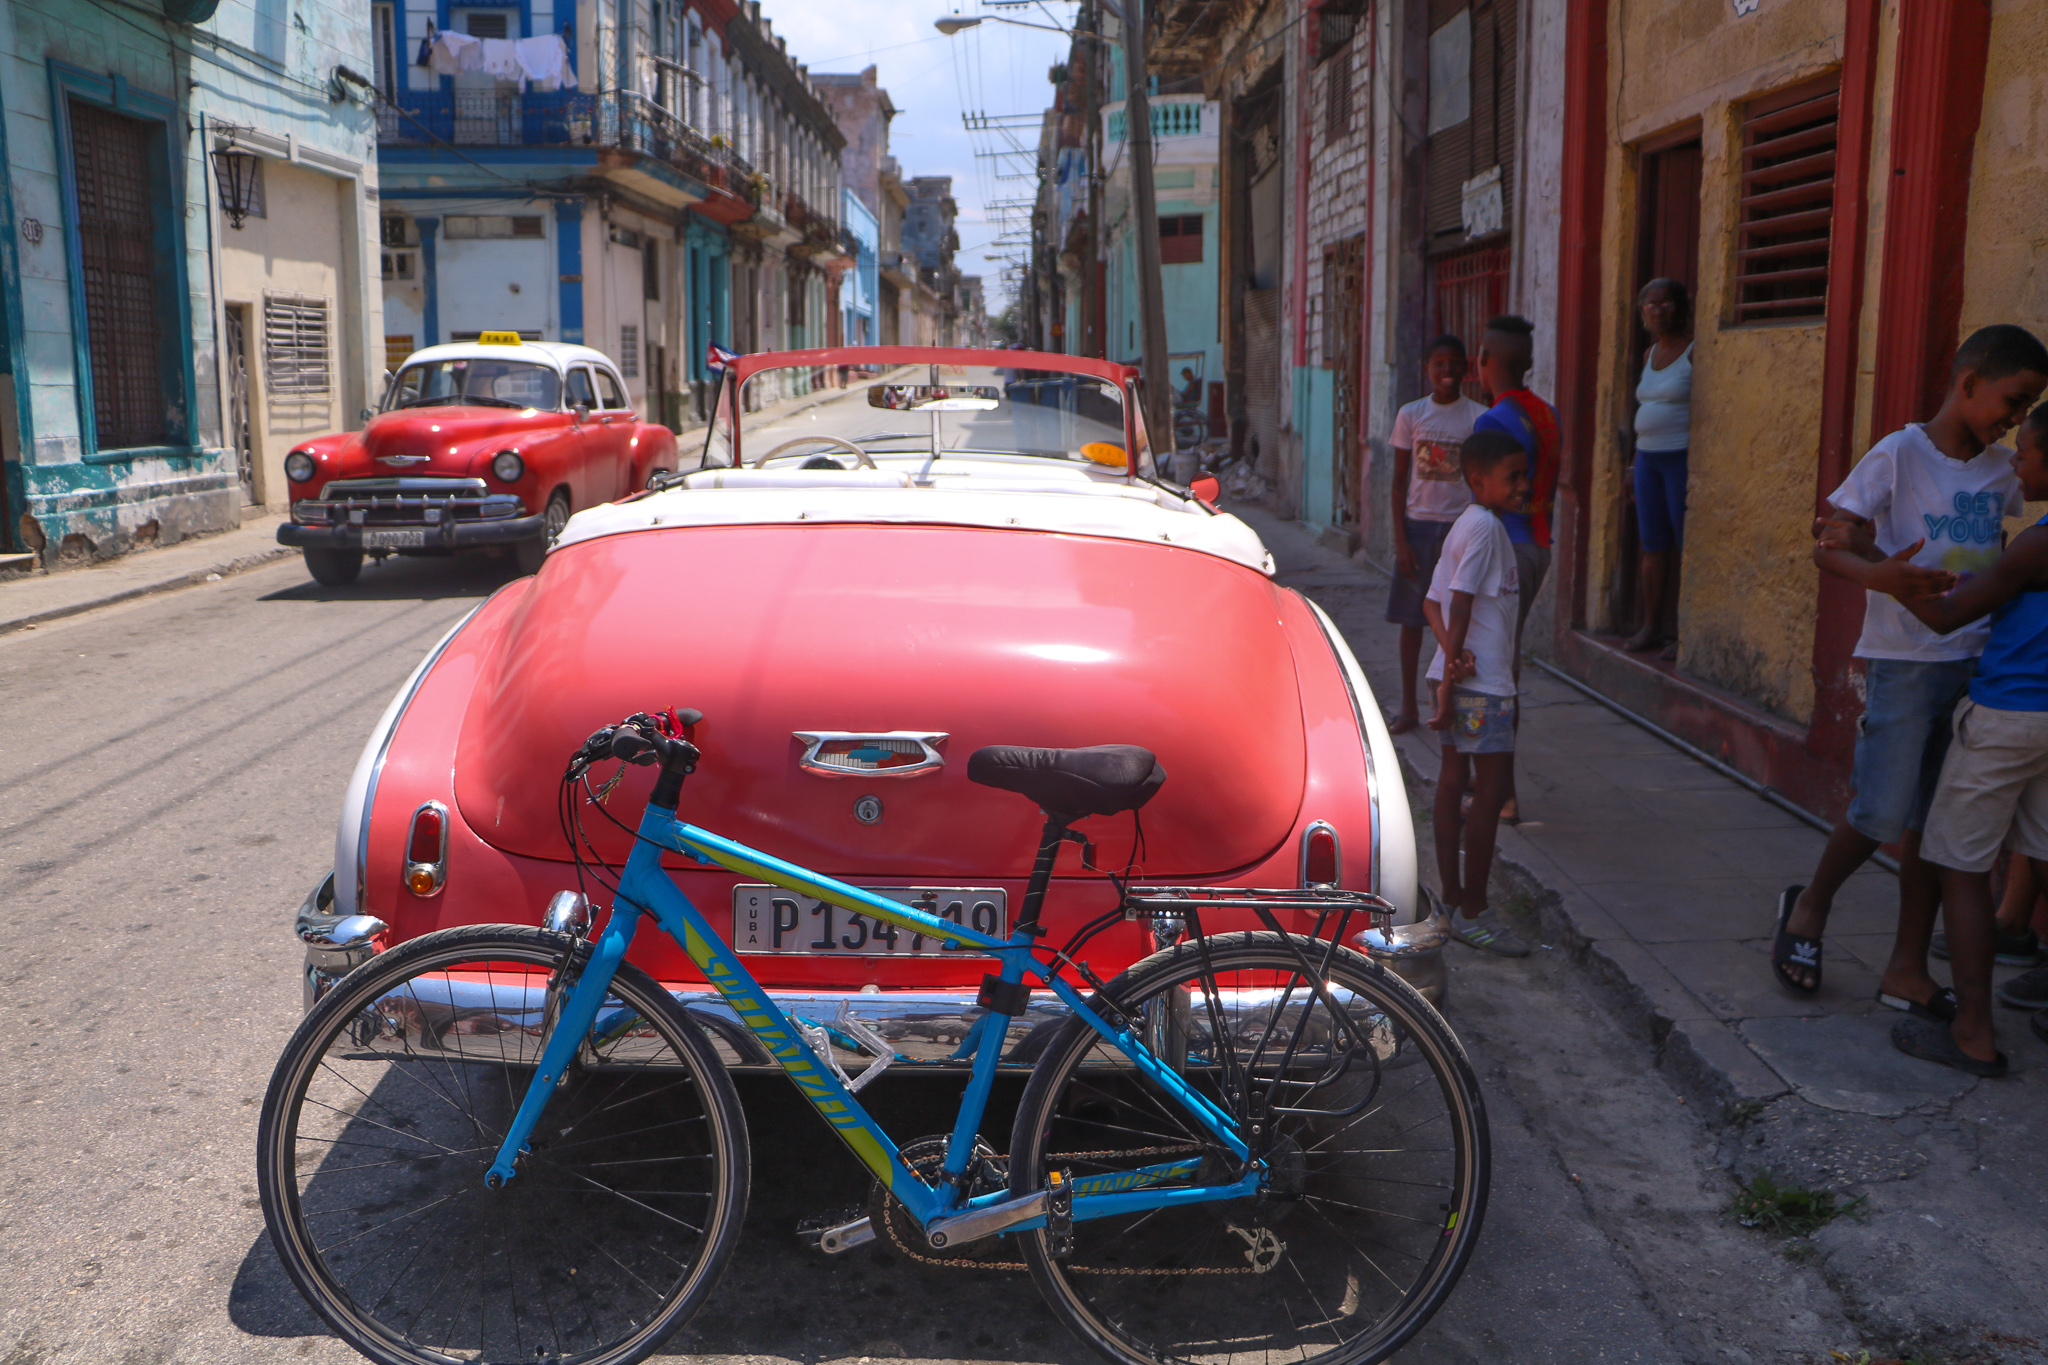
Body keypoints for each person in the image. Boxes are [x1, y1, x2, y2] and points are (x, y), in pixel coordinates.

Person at [1772, 324, 2048, 1019]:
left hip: (1973, 666)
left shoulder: (1998, 471)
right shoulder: (1898, 454)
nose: (2015, 423)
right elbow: (1829, 545)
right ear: (1968, 384)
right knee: (1880, 809)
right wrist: (1881, 573)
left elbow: (1992, 550)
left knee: (1933, 823)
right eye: (2012, 402)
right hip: (1905, 660)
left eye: (2027, 411)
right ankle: (1808, 907)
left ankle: (1905, 966)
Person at [1864, 399, 2048, 1073]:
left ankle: (1973, 1032)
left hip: (2005, 718)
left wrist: (1883, 574)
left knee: (1959, 864)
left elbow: (1948, 617)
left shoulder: (2036, 543)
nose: (2017, 465)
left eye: (2027, 454)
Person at [1423, 429, 1533, 958]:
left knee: (1453, 780)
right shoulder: (1485, 528)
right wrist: (1453, 676)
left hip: (1463, 675)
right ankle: (1475, 912)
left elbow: (1433, 605)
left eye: (1523, 475)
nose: (1523, 486)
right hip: (1482, 688)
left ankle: (1449, 900)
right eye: (1512, 477)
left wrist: (1447, 658)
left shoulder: (1465, 526)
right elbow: (1459, 602)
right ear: (1477, 480)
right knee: (1489, 792)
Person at [1470, 315, 1561, 824]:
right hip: (1539, 543)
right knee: (1503, 666)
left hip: (1508, 551)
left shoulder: (1492, 422)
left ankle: (1500, 793)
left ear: (1485, 361)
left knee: (1495, 673)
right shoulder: (1547, 414)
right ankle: (1492, 784)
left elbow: (1486, 504)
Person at [1385, 335, 1488, 734]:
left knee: (1462, 622)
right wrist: (1401, 541)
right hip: (1418, 527)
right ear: (1426, 369)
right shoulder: (1410, 415)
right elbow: (1397, 483)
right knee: (1413, 621)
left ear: (1467, 368)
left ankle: (1456, 701)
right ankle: (1409, 707)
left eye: (1454, 363)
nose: (1447, 371)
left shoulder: (1478, 417)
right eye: (1438, 364)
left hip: (1460, 531)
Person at [1628, 279, 1694, 655]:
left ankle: (1685, 633)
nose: (1657, 310)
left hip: (1679, 458)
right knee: (1652, 545)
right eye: (1649, 304)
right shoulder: (1649, 355)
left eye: (1665, 302)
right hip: (1647, 459)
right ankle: (1651, 626)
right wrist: (1631, 465)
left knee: (1686, 545)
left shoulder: (1694, 352)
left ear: (1680, 306)